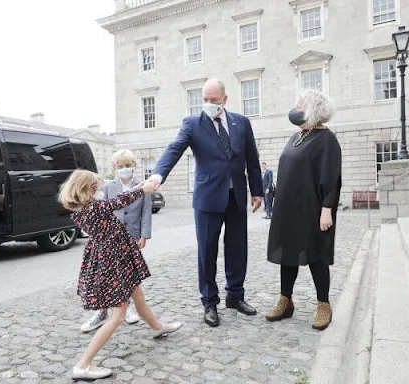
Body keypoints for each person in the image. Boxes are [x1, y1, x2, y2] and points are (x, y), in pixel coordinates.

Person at [149, 78, 263, 327]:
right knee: (207, 252)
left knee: (237, 249)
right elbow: (174, 148)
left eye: (214, 100)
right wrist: (158, 175)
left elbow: (252, 160)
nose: (209, 104)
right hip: (208, 199)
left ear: (225, 99)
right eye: (205, 100)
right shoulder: (193, 123)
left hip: (236, 197)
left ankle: (235, 296)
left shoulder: (241, 123)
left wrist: (258, 191)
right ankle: (209, 302)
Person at [59, 170, 182, 380]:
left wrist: (139, 187)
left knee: (138, 297)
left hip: (118, 261)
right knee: (117, 317)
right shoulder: (93, 210)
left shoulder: (87, 208)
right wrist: (142, 189)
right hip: (113, 265)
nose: (100, 192)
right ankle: (84, 364)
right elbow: (119, 201)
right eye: (97, 188)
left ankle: (157, 327)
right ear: (88, 189)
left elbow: (117, 199)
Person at [265, 89, 342, 331]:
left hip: (312, 208)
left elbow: (332, 177)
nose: (294, 109)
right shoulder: (296, 136)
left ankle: (324, 305)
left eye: (299, 105)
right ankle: (285, 301)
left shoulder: (327, 140)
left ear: (310, 109)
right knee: (287, 254)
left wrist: (327, 210)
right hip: (288, 208)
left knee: (316, 256)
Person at [80, 150, 153, 333]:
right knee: (107, 275)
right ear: (115, 168)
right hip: (110, 238)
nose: (124, 169)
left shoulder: (142, 185)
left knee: (127, 273)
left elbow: (146, 212)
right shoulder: (107, 187)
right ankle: (103, 311)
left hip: (132, 235)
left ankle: (125, 306)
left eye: (127, 165)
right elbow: (104, 209)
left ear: (134, 166)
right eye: (120, 166)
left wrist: (144, 234)